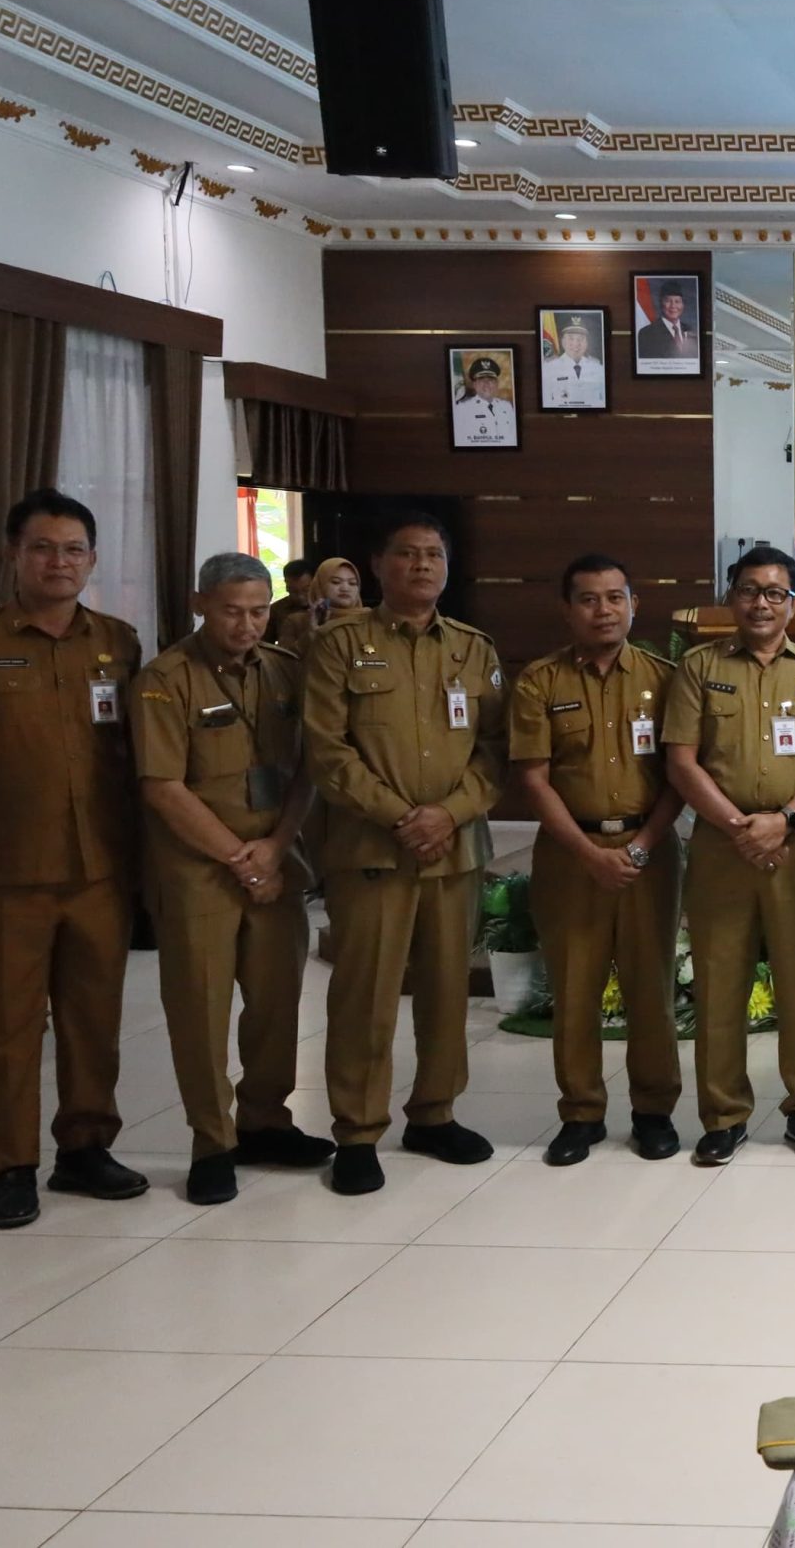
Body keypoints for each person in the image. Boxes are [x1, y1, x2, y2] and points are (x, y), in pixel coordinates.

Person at [0, 488, 148, 1228]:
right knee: (6, 1029)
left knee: (93, 1021)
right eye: (43, 547)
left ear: (93, 560)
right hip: (0, 873)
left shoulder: (118, 640)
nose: (59, 561)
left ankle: (85, 1147)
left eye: (73, 549)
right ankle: (13, 1165)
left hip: (100, 871)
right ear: (13, 554)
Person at [303, 512, 506, 1195]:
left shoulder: (476, 649)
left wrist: (447, 814)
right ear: (379, 563)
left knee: (448, 990)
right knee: (366, 994)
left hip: (453, 850)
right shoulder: (340, 644)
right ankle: (358, 1129)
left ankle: (435, 1111)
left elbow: (495, 750)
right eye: (407, 554)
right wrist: (402, 816)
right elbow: (327, 751)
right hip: (371, 849)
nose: (422, 565)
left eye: (433, 555)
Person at [131, 552, 331, 1204]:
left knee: (276, 1005)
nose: (246, 624)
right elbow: (163, 787)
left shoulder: (285, 670)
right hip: (199, 873)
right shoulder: (166, 678)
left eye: (257, 610)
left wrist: (273, 849)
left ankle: (265, 1121)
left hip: (276, 864)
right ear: (199, 605)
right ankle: (211, 1141)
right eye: (230, 610)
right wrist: (240, 859)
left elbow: (306, 769)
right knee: (201, 1010)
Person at [663, 545, 795, 1164]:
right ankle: (723, 1116)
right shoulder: (697, 667)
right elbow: (681, 760)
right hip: (722, 846)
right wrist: (740, 825)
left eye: (775, 592)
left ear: (794, 603)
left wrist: (785, 819)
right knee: (719, 983)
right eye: (749, 590)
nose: (762, 603)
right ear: (731, 598)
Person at [506, 555, 685, 1166]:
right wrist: (589, 854)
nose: (603, 610)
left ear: (635, 604)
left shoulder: (667, 679)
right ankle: (581, 1113)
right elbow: (533, 779)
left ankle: (654, 1110)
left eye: (615, 598)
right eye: (589, 599)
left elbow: (679, 776)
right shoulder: (539, 682)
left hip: (649, 852)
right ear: (567, 609)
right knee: (575, 989)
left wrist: (636, 848)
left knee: (650, 987)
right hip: (569, 856)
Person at [276, 556, 364, 657]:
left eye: (352, 583)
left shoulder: (369, 620)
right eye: (336, 582)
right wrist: (311, 634)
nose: (345, 588)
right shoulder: (297, 621)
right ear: (320, 584)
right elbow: (282, 661)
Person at [452, 354, 517, 447]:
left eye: (490, 380)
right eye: (481, 379)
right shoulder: (462, 409)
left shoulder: (507, 407)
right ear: (474, 385)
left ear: (496, 384)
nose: (486, 384)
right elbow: (459, 441)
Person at [541, 319, 607, 409]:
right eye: (571, 338)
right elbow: (546, 403)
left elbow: (603, 402)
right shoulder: (548, 369)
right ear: (563, 342)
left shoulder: (598, 369)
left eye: (581, 339)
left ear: (587, 343)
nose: (576, 343)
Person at [637, 286, 700, 360]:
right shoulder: (646, 333)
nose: (673, 306)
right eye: (668, 301)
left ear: (683, 305)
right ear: (661, 303)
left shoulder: (692, 331)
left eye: (677, 301)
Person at [269, 558, 315, 639]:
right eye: (293, 591)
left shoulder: (326, 607)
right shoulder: (276, 610)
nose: (300, 597)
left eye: (306, 590)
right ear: (286, 586)